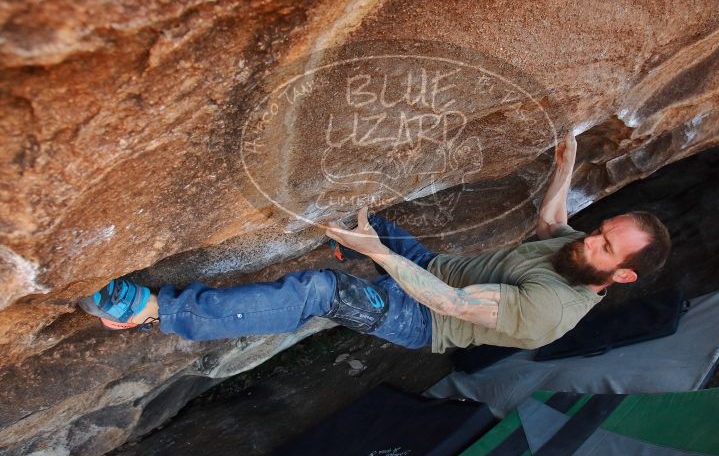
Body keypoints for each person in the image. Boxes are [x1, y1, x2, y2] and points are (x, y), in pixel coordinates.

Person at [79, 133, 671, 353]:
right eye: (599, 233)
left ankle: (153, 311)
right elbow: (550, 226)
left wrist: (378, 255)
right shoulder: (575, 252)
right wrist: (565, 163)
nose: (589, 243)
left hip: (426, 321)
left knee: (323, 290)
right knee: (363, 212)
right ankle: (345, 237)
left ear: (622, 276)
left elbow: (449, 305)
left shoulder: (553, 311)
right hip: (435, 267)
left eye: (605, 250)